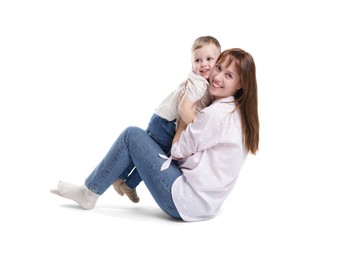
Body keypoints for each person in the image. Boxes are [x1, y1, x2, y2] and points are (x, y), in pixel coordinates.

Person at [50, 48, 259, 222]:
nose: (217, 77)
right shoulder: (236, 111)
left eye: (228, 75)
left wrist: (185, 114)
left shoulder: (216, 114)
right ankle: (118, 180)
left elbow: (177, 151)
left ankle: (89, 193)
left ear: (241, 84)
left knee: (132, 136)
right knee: (146, 139)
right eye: (219, 68)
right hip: (206, 204)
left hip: (183, 201)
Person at [112, 36, 221, 203]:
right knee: (152, 156)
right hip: (165, 124)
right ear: (192, 63)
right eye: (198, 60)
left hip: (163, 119)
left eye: (209, 59)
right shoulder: (199, 83)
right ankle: (122, 178)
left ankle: (128, 182)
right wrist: (199, 128)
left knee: (151, 156)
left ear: (218, 61)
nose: (203, 64)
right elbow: (184, 109)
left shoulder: (203, 82)